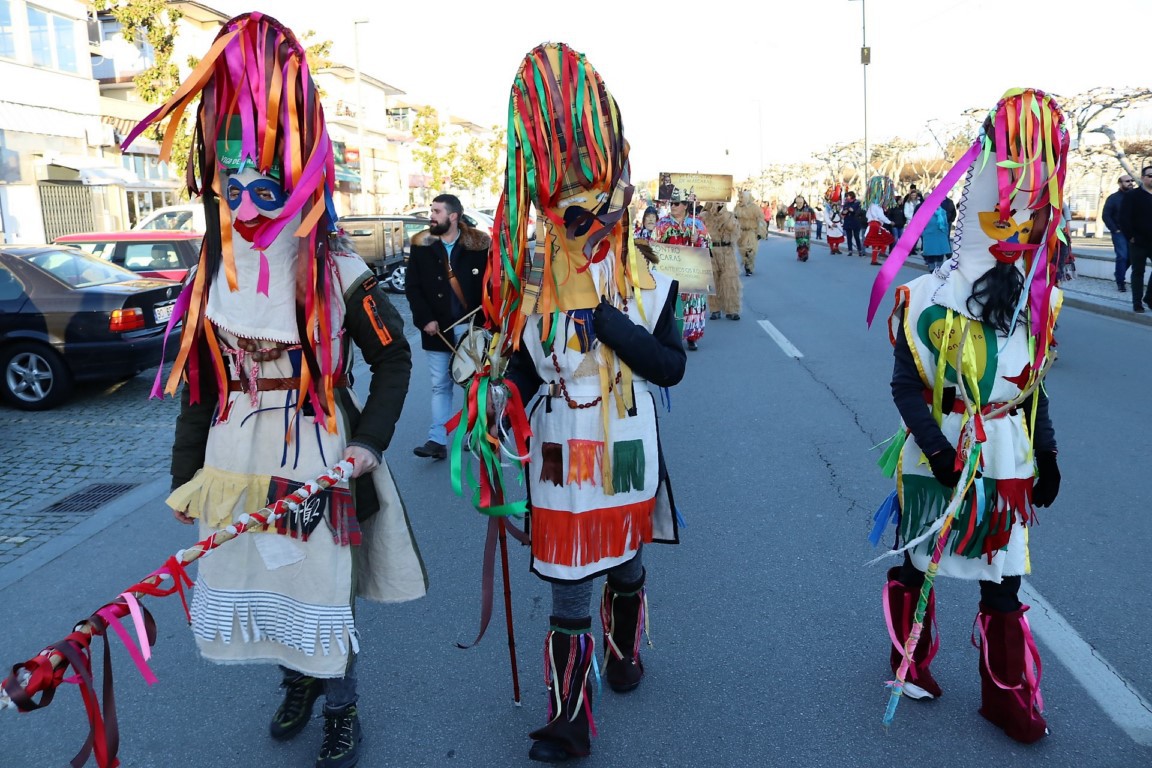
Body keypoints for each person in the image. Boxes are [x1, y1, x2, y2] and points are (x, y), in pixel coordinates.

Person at [135, 14, 428, 768]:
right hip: (233, 455)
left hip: (318, 453)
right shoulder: (214, 272)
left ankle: (340, 706)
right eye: (234, 184)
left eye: (263, 184)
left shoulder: (335, 268)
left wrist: (367, 445)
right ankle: (295, 681)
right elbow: (201, 384)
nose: (246, 202)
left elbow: (393, 363)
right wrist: (183, 480)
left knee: (317, 585)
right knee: (254, 572)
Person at [473, 42, 686, 763]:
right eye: (571, 216)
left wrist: (609, 321)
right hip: (561, 446)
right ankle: (568, 717)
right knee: (568, 585)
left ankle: (625, 650)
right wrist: (502, 396)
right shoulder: (530, 295)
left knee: (623, 562)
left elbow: (670, 368)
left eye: (598, 211)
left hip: (627, 438)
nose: (587, 228)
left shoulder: (652, 284)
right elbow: (527, 373)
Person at [869, 88, 1066, 746]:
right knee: (918, 562)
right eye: (1002, 220)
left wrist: (1048, 450)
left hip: (1005, 459)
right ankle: (910, 662)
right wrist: (941, 448)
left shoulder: (1038, 304)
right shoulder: (923, 295)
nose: (1014, 236)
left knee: (1004, 577)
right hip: (937, 450)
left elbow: (1032, 389)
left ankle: (1007, 697)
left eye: (1026, 223)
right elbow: (903, 384)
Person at [405, 193, 490, 460]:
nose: (432, 215)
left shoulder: (479, 245)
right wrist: (424, 319)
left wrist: (489, 319)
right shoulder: (421, 245)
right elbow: (413, 287)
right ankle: (437, 439)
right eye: (432, 210)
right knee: (440, 385)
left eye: (437, 211)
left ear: (453, 216)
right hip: (437, 329)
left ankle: (475, 432)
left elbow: (491, 285)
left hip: (471, 328)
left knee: (473, 385)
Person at [654, 192, 710, 350]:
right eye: (671, 203)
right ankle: (669, 335)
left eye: (676, 203)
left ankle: (692, 336)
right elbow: (653, 244)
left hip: (691, 270)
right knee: (669, 302)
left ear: (685, 206)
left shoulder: (696, 223)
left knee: (692, 303)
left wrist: (697, 239)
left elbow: (708, 246)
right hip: (670, 270)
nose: (672, 206)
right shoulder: (663, 223)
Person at [1120, 165, 1152, 313]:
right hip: (1138, 241)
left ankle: (1149, 298)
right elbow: (1124, 218)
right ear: (1143, 177)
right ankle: (1137, 302)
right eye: (1150, 175)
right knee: (1138, 272)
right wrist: (1130, 237)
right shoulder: (1132, 195)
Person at [702, 201, 742, 319]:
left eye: (720, 201)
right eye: (716, 201)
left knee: (730, 281)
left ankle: (732, 310)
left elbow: (732, 228)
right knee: (713, 281)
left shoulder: (729, 215)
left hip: (727, 251)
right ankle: (715, 309)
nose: (718, 203)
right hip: (711, 251)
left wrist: (721, 212)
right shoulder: (705, 216)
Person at [1103, 173, 1136, 292]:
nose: (1131, 183)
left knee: (1132, 258)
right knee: (1122, 256)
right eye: (1127, 181)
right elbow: (1106, 215)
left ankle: (1118, 273)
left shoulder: (1136, 197)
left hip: (1135, 233)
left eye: (1132, 180)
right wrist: (1115, 229)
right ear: (1120, 183)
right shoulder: (1113, 198)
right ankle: (1120, 282)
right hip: (1120, 232)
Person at [734, 190, 766, 275]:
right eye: (739, 197)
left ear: (747, 198)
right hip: (741, 233)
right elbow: (734, 219)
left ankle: (749, 267)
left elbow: (760, 220)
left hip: (751, 232)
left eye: (742, 197)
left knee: (750, 250)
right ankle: (746, 264)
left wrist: (760, 232)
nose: (740, 199)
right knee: (743, 251)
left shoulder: (754, 208)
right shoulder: (737, 207)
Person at [918, 203, 951, 270]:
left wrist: (946, 232)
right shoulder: (926, 212)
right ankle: (932, 271)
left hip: (941, 235)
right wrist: (923, 233)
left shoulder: (942, 211)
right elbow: (920, 224)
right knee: (931, 256)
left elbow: (945, 223)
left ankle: (939, 272)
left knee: (940, 255)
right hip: (929, 236)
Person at [788, 195, 817, 261]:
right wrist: (793, 202)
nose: (799, 204)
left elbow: (813, 215)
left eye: (801, 203)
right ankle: (800, 254)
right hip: (798, 227)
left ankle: (805, 254)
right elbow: (789, 210)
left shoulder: (808, 209)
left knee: (805, 241)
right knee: (799, 242)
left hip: (806, 227)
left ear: (803, 202)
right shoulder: (794, 209)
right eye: (797, 203)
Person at [841, 191, 864, 255]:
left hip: (855, 222)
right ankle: (850, 250)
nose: (847, 197)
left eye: (848, 196)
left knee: (857, 236)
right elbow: (843, 212)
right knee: (849, 237)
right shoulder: (846, 203)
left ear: (851, 196)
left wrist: (848, 210)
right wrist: (848, 210)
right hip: (848, 221)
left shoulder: (857, 203)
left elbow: (853, 210)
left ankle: (859, 250)